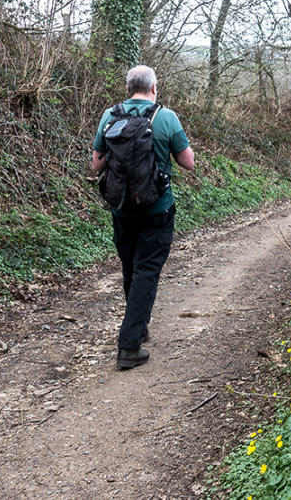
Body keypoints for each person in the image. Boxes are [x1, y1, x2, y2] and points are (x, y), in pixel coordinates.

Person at [92, 65, 195, 369]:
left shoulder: (109, 116)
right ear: (153, 88)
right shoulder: (166, 117)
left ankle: (138, 327)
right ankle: (129, 345)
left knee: (131, 269)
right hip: (156, 209)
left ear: (127, 89)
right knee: (147, 272)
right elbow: (188, 162)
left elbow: (97, 164)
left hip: (121, 209)